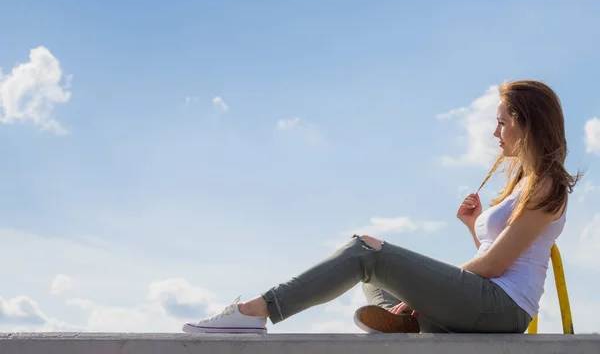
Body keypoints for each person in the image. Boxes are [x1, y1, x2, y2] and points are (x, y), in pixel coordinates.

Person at [181, 80, 581, 334]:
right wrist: (473, 225)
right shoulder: (523, 183)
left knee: (366, 252)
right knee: (374, 278)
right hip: (487, 300)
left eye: (502, 122)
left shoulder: (547, 184)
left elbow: (494, 267)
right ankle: (412, 323)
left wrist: (423, 292)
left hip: (503, 308)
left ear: (527, 123)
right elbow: (498, 251)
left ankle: (256, 310)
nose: (495, 132)